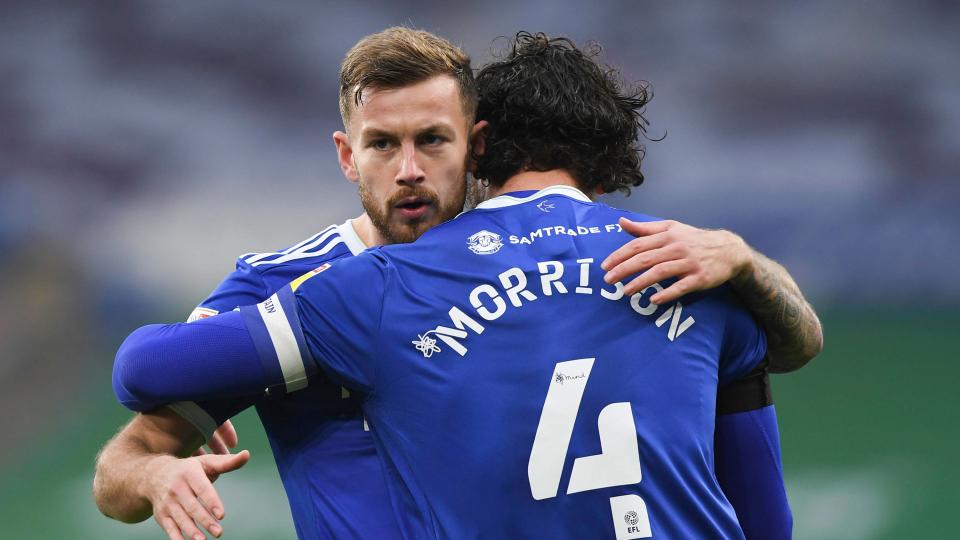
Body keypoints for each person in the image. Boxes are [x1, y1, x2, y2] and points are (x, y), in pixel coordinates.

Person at [108, 31, 818, 539]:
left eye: (433, 140)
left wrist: (745, 263)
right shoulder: (282, 284)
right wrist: (154, 477)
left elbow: (142, 364)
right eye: (383, 144)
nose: (409, 168)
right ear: (346, 156)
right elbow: (125, 458)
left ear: (475, 145)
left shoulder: (359, 297)